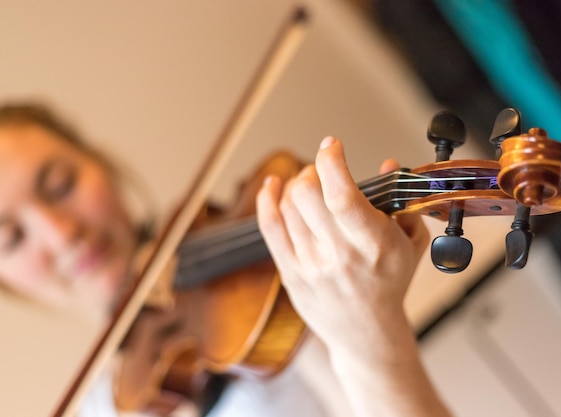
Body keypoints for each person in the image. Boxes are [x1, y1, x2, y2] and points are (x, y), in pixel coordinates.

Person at [0, 101, 451, 417]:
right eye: (11, 238)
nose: (62, 235)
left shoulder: (271, 272)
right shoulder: (107, 409)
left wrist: (369, 331)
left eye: (61, 184)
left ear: (101, 163)